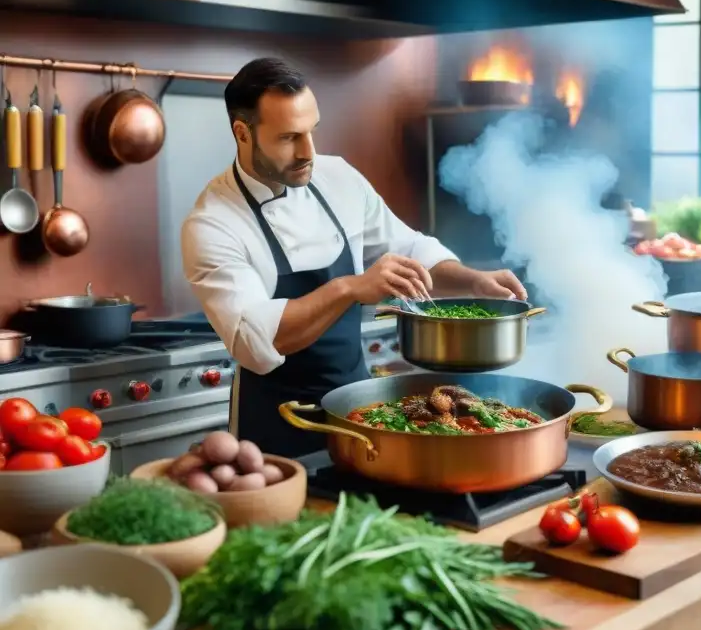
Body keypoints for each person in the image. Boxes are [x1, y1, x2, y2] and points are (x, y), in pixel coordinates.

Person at [181, 57, 527, 458]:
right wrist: (349, 288)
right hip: (275, 435)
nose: (308, 152)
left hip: (361, 416)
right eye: (289, 137)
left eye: (312, 131)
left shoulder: (338, 178)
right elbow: (256, 342)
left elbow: (410, 249)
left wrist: (472, 281)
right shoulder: (213, 223)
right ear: (243, 134)